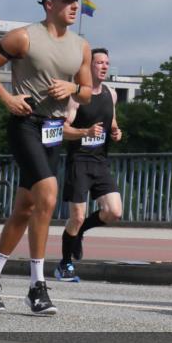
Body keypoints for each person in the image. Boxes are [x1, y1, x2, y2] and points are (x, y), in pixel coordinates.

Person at [0, 0, 93, 315]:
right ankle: (36, 286)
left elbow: (86, 91)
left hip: (54, 129)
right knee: (48, 195)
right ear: (48, 4)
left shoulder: (81, 45)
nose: (75, 5)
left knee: (26, 208)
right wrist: (7, 98)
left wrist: (71, 88)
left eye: (78, 0)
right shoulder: (23, 37)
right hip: (25, 123)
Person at [56, 47, 124, 282]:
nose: (104, 66)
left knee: (114, 211)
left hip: (100, 161)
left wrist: (115, 131)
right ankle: (65, 264)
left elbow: (111, 120)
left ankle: (81, 232)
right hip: (79, 161)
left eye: (107, 63)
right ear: (88, 67)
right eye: (99, 63)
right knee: (76, 216)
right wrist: (85, 131)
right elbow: (62, 130)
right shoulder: (76, 96)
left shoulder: (111, 94)